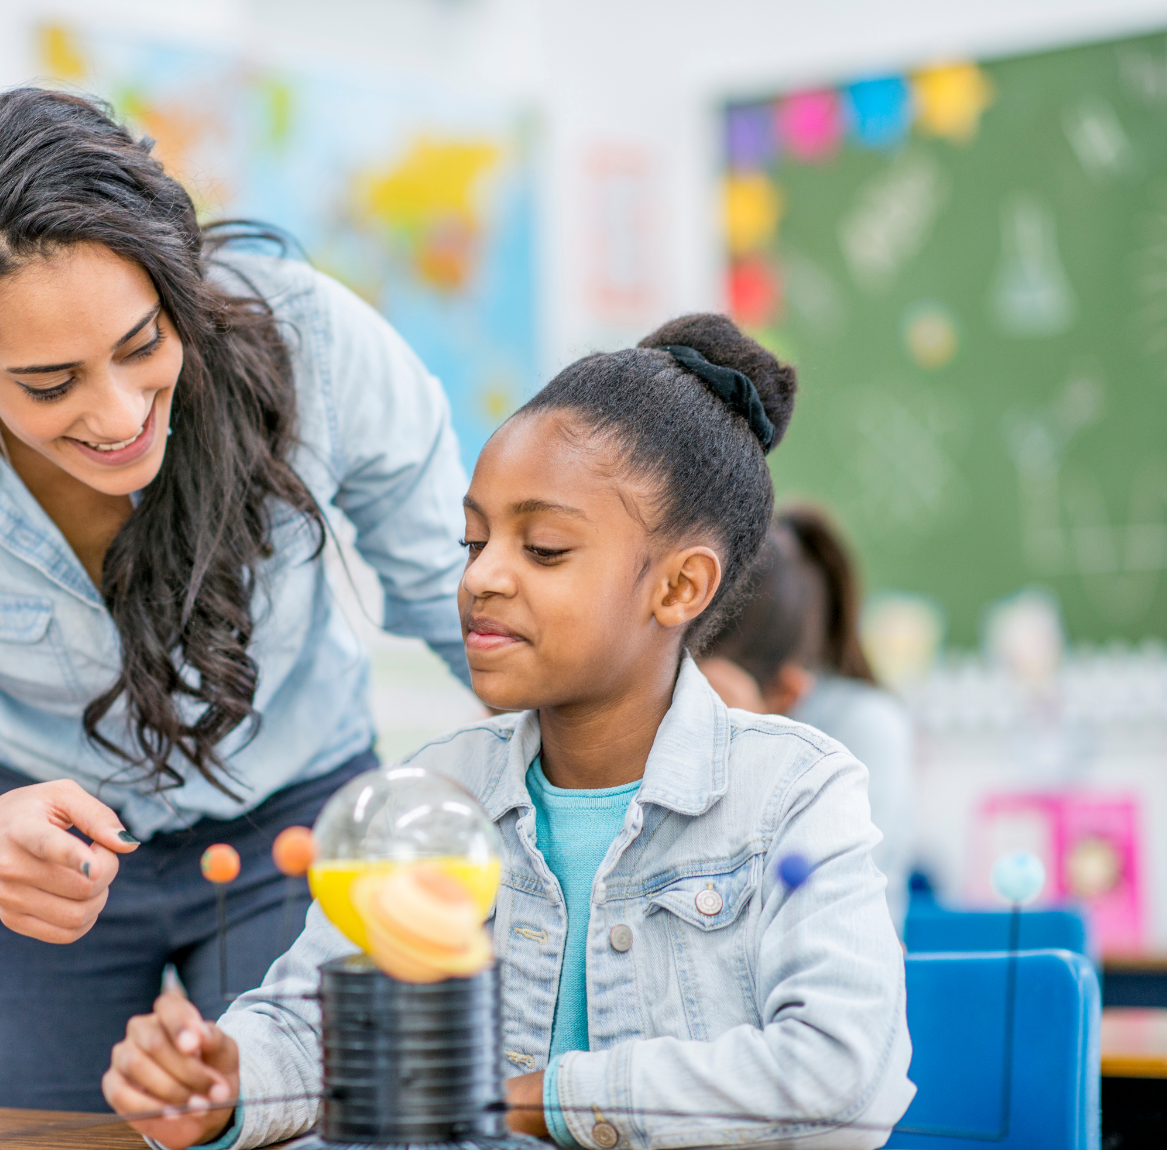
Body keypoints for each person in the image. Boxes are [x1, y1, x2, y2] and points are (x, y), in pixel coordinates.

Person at [0, 88, 472, 1110]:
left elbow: (468, 609)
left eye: (144, 343)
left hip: (297, 821)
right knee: (40, 1138)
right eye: (50, 384)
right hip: (32, 848)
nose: (116, 414)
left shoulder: (318, 344)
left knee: (335, 1123)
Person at [104, 315, 914, 1149]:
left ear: (678, 588)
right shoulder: (434, 795)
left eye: (546, 548)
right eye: (474, 540)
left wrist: (539, 1099)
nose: (482, 577)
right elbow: (318, 1029)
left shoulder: (797, 793)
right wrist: (227, 1082)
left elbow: (839, 1077)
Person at [700, 508, 916, 926]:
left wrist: (741, 750)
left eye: (704, 701)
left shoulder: (866, 728)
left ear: (786, 692)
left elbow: (834, 913)